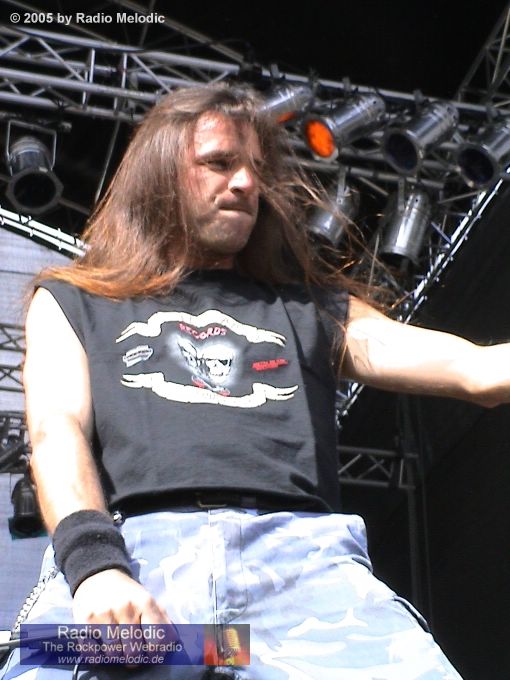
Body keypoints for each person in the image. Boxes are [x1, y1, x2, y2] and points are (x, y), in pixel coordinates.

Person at [1, 82, 507, 680]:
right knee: (43, 665)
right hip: (136, 557)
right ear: (161, 173)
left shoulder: (314, 309)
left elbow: (475, 370)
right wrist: (94, 569)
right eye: (219, 163)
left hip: (305, 572)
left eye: (254, 169)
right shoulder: (72, 298)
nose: (244, 183)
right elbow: (55, 432)